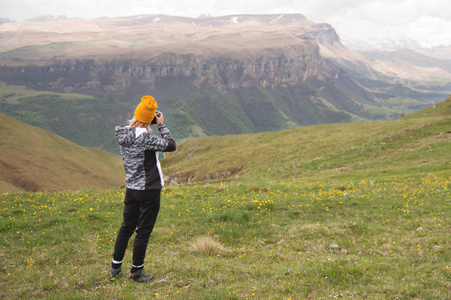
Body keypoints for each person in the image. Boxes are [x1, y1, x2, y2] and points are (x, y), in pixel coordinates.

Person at [110, 95, 176, 282]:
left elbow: (138, 131)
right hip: (149, 190)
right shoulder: (147, 138)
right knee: (143, 232)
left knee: (126, 227)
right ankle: (136, 273)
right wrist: (161, 125)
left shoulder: (124, 134)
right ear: (151, 118)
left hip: (131, 189)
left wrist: (148, 122)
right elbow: (171, 145)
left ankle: (116, 267)